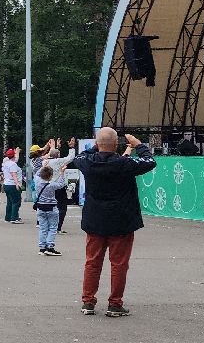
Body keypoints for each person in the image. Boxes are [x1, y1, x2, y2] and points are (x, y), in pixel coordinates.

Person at [67, 127, 156, 317]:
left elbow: (80, 155)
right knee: (119, 264)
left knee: (92, 262)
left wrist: (97, 145)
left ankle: (88, 302)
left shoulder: (87, 162)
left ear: (97, 144)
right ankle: (115, 304)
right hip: (121, 220)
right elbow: (150, 161)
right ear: (117, 145)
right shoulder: (124, 163)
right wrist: (138, 144)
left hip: (95, 220)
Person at [32, 164, 66, 256]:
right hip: (51, 207)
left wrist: (43, 166)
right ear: (51, 176)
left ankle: (42, 248)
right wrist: (62, 173)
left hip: (40, 207)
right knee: (53, 228)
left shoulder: (37, 181)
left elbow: (36, 174)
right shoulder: (51, 185)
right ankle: (50, 246)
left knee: (43, 228)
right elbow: (61, 184)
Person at [1, 148, 24, 224]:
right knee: (16, 201)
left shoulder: (5, 163)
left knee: (10, 202)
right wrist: (17, 183)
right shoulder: (13, 164)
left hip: (6, 184)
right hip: (13, 184)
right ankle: (14, 218)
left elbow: (15, 159)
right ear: (13, 155)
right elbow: (13, 174)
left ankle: (8, 217)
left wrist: (17, 153)